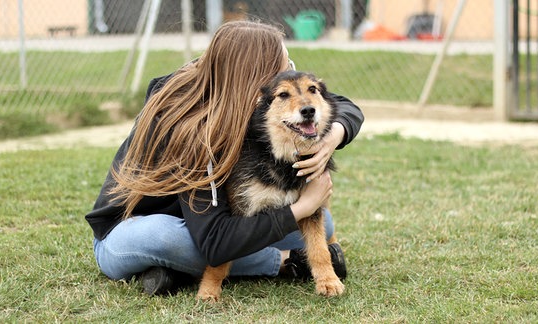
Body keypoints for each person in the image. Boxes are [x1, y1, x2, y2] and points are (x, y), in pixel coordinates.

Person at [85, 20, 364, 296]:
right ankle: (285, 262)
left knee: (322, 224)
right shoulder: (188, 125)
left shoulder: (242, 95)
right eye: (285, 66)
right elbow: (215, 241)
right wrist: (301, 208)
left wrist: (332, 136)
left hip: (213, 223)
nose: (290, 72)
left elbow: (341, 105)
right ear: (257, 78)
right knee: (168, 238)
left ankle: (175, 273)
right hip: (133, 231)